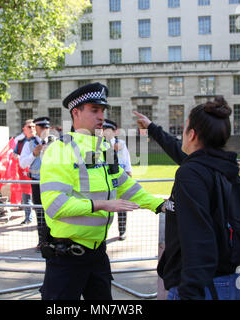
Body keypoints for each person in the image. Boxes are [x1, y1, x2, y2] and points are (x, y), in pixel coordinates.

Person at [39, 82, 165, 300]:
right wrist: (103, 205)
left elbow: (124, 185)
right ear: (76, 113)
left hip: (97, 253)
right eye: (94, 110)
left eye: (103, 111)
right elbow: (55, 205)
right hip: (67, 256)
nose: (101, 116)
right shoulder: (60, 150)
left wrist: (159, 204)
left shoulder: (104, 148)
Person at [135, 95, 240, 300]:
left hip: (200, 286)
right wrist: (152, 128)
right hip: (230, 280)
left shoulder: (192, 173)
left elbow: (197, 239)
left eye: (185, 128)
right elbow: (182, 153)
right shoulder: (225, 168)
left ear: (192, 134)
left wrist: (189, 293)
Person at [19, 117, 52, 250]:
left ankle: (54, 239)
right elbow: (22, 164)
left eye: (47, 128)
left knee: (53, 209)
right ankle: (42, 240)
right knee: (40, 211)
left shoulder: (55, 142)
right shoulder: (29, 144)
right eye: (42, 128)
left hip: (52, 182)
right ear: (37, 129)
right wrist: (34, 154)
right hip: (37, 182)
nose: (45, 130)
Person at [102, 119, 132, 241]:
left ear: (115, 132)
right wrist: (112, 150)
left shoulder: (122, 144)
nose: (106, 132)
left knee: (122, 207)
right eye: (104, 130)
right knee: (105, 208)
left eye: (109, 130)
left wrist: (129, 175)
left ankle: (122, 231)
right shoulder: (99, 144)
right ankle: (103, 232)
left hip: (121, 179)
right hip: (105, 180)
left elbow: (127, 161)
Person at [13, 119, 35, 225]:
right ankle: (28, 218)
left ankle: (42, 220)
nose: (32, 129)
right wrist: (19, 157)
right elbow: (14, 154)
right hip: (24, 172)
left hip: (37, 173)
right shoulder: (21, 142)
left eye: (33, 127)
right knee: (26, 197)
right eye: (29, 127)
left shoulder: (40, 140)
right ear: (24, 129)